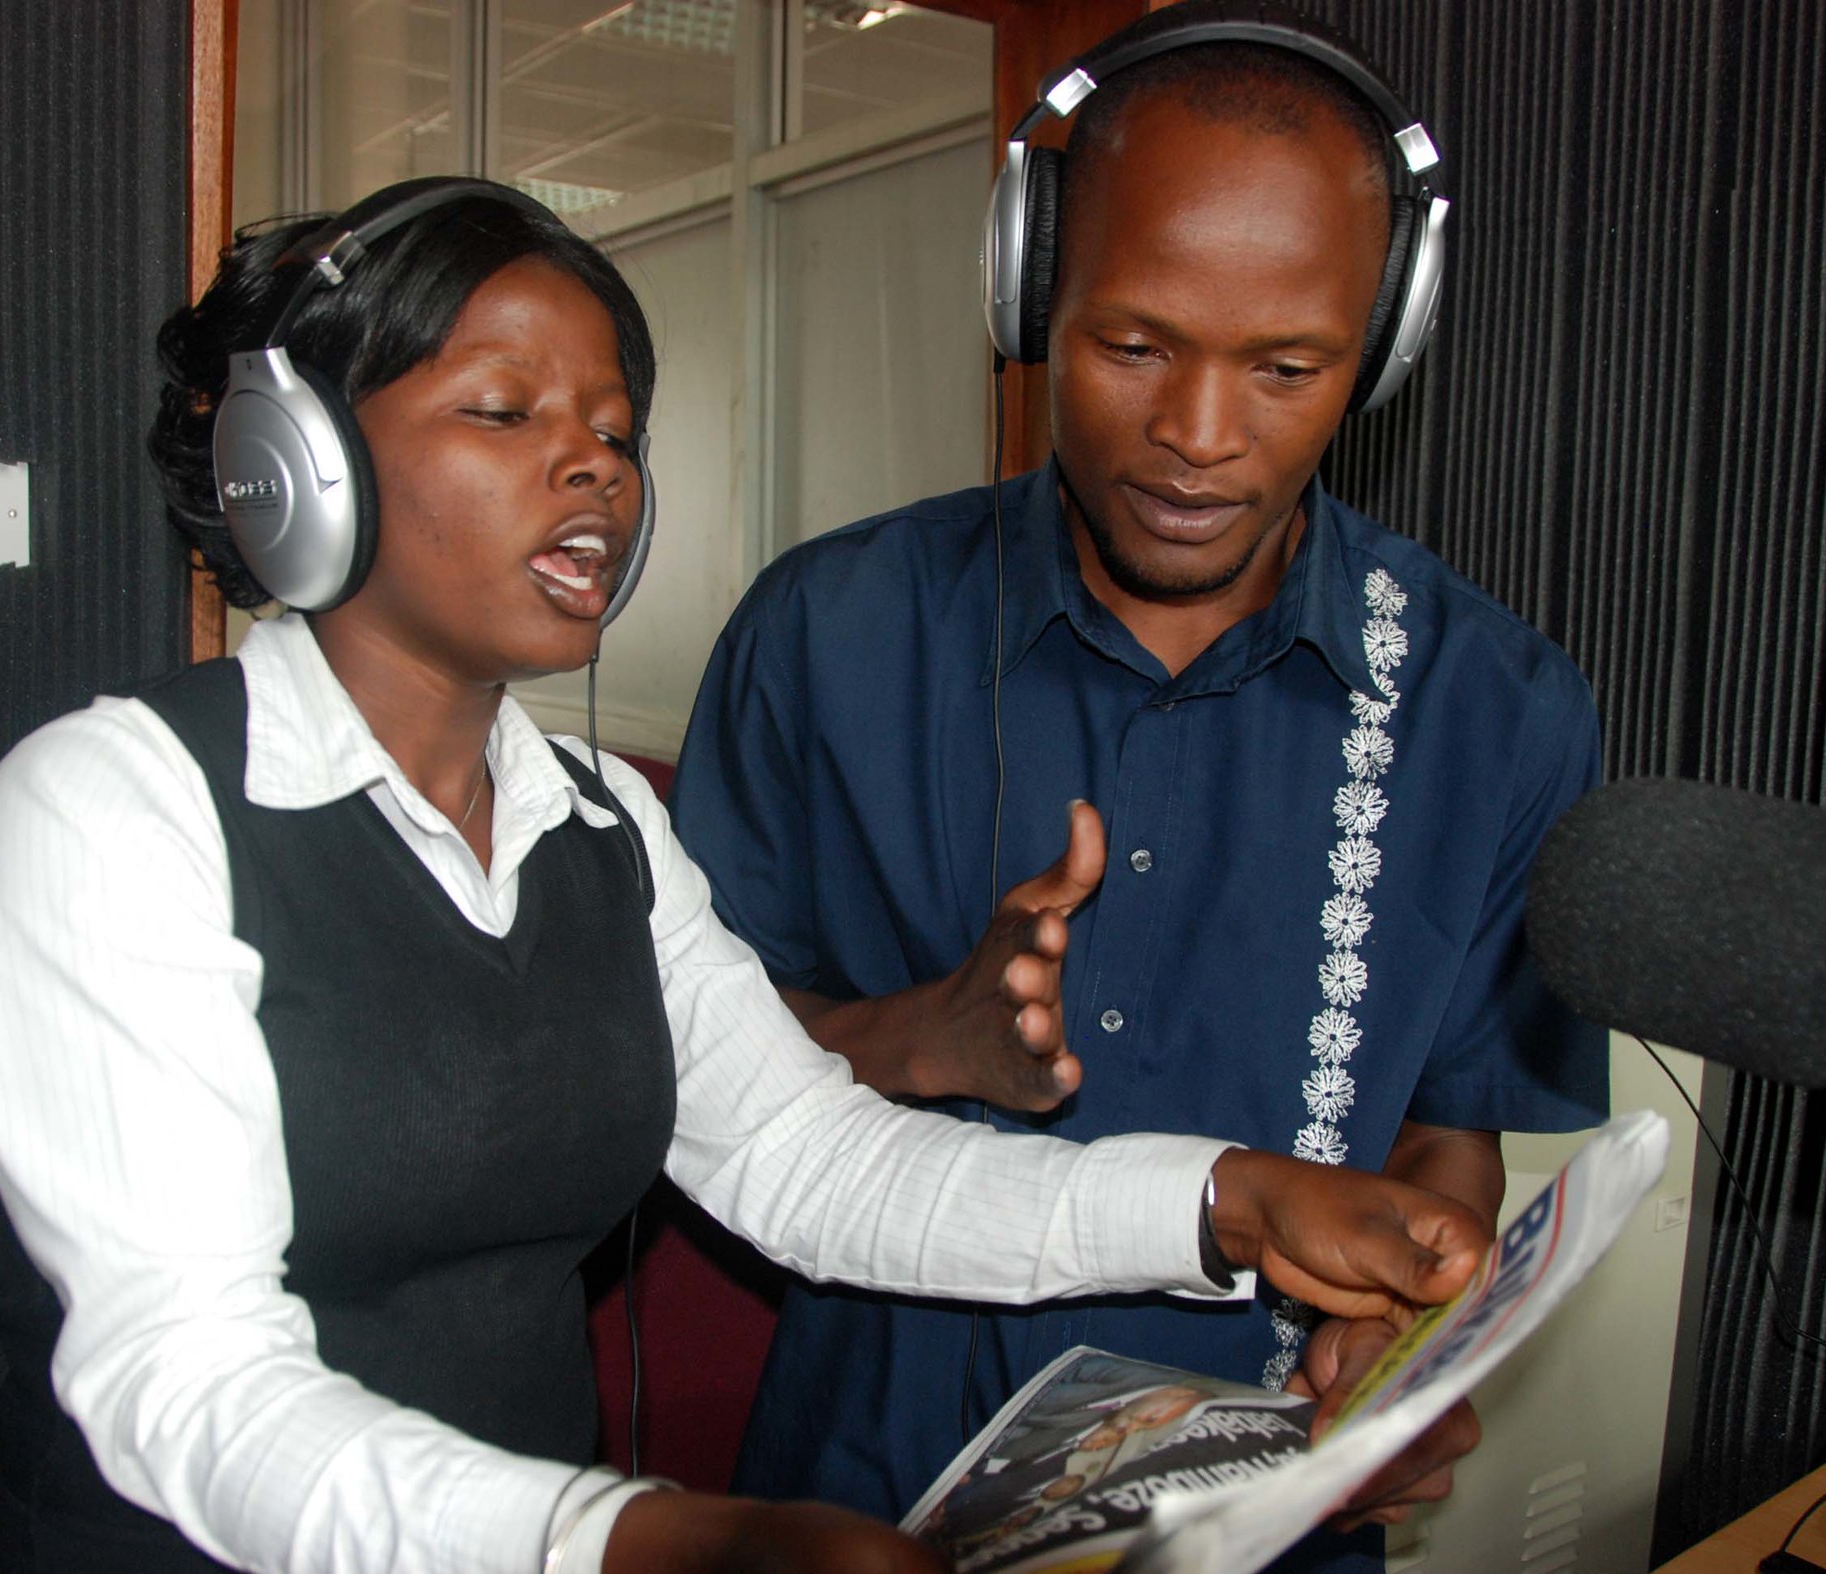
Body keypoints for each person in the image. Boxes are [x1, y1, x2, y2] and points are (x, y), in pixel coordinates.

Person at [0, 179, 1492, 1574]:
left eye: (612, 430)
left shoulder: (602, 822)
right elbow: (188, 1384)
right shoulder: (114, 812)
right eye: (504, 411)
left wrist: (1226, 1198)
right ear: (297, 465)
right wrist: (631, 1535)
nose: (590, 469)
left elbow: (814, 1167)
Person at [669, 7, 1610, 1571]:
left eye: (1286, 367)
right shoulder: (821, 633)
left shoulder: (1498, 710)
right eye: (1132, 343)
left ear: (1382, 349)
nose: (1195, 436)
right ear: (1035, 290)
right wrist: (916, 1036)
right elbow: (685, 1080)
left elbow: (1454, 1129)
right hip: (862, 1489)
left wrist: (1400, 1339)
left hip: (1267, 1508)